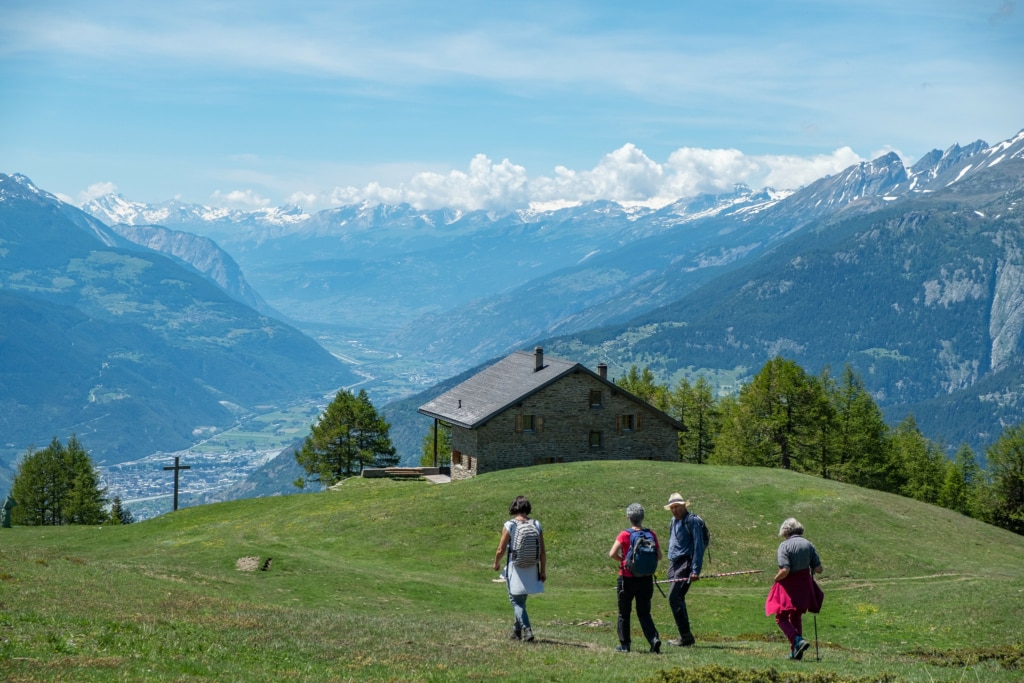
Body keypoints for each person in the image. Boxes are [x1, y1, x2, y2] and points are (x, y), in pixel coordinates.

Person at [765, 517, 824, 660]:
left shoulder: (784, 546)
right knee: (796, 615)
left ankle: (797, 640)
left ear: (785, 531)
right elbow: (819, 569)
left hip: (789, 585)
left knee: (780, 617)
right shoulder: (809, 545)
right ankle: (796, 653)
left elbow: (785, 570)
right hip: (804, 585)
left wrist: (775, 578)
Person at [608, 503, 662, 653]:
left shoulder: (625, 534)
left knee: (624, 612)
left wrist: (624, 561)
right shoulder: (651, 534)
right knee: (644, 612)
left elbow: (612, 554)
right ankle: (653, 639)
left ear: (628, 517)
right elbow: (659, 556)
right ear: (642, 517)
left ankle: (625, 645)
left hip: (627, 579)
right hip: (646, 579)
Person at [493, 495, 546, 641]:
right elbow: (542, 551)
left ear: (514, 507)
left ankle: (527, 630)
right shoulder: (536, 524)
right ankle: (516, 632)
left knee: (515, 601)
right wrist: (543, 571)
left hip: (515, 567)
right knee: (521, 600)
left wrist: (496, 563)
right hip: (532, 567)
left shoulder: (510, 525)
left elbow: (500, 549)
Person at [664, 492, 704, 646]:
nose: (674, 510)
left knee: (674, 598)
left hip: (686, 563)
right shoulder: (673, 521)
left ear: (683, 506)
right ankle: (685, 636)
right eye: (672, 507)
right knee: (677, 599)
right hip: (674, 563)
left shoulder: (692, 521)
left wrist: (695, 570)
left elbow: (698, 546)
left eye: (677, 507)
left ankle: (686, 637)